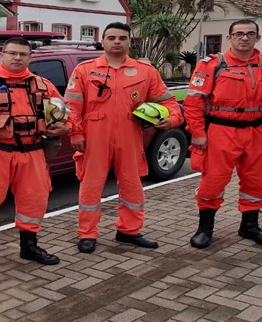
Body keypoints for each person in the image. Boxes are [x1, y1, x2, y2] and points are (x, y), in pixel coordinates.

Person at [184, 19, 262, 249]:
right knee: (213, 180)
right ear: (229, 37)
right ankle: (205, 229)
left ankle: (249, 226)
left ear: (257, 38)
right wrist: (197, 133)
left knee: (259, 180)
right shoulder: (212, 64)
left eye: (250, 34)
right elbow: (194, 102)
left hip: (258, 130)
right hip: (221, 130)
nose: (244, 38)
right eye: (239, 33)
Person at [64, 22, 183, 253]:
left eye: (122, 38)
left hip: (130, 135)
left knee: (132, 185)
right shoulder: (84, 70)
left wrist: (172, 119)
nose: (116, 41)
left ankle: (129, 231)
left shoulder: (145, 71)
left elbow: (168, 102)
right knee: (91, 186)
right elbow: (71, 107)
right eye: (111, 38)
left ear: (130, 41)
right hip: (94, 136)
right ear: (103, 42)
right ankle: (87, 234)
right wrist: (76, 132)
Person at [0, 37, 70, 275]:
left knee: (34, 200)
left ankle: (29, 247)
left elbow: (65, 114)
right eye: (12, 53)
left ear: (30, 58)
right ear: (2, 55)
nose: (17, 58)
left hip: (33, 152)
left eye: (22, 54)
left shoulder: (43, 84)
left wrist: (65, 128)